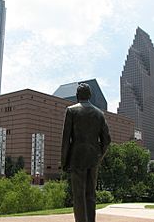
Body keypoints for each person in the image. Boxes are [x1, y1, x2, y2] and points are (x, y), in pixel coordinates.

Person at [61, 83, 111, 222]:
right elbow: (107, 140)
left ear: (77, 95)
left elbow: (66, 140)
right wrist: (99, 157)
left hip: (76, 159)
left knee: (79, 196)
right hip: (93, 159)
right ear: (89, 96)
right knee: (91, 194)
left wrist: (64, 162)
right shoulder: (99, 113)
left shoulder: (71, 111)